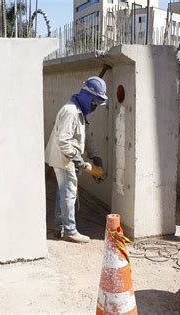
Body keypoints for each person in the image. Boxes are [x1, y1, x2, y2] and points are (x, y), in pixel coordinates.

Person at [45, 76, 108, 243]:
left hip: (66, 158)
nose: (95, 106)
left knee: (62, 192)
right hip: (63, 159)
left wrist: (95, 156)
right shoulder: (71, 111)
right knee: (69, 193)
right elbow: (63, 141)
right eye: (95, 102)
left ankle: (60, 226)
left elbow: (86, 136)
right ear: (88, 97)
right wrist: (79, 161)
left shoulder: (79, 111)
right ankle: (69, 230)